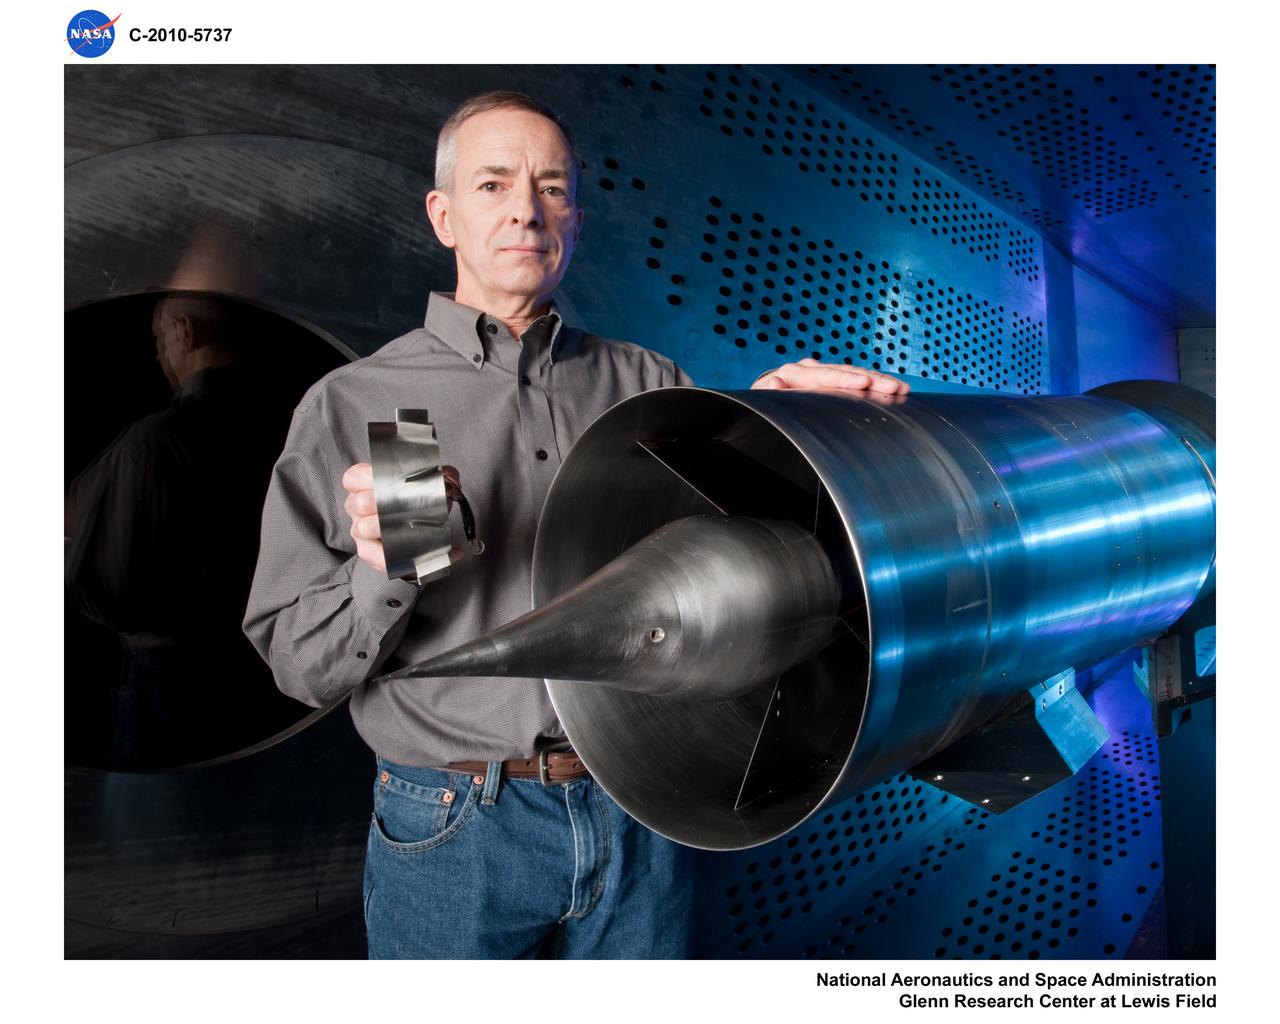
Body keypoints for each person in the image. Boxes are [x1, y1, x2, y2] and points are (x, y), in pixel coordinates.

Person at [243, 90, 909, 960]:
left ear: (575, 220)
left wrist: (777, 418)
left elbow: (733, 568)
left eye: (552, 187)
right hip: (456, 827)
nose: (526, 208)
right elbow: (298, 662)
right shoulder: (363, 402)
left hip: (640, 810)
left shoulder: (645, 382)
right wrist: (386, 568)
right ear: (443, 215)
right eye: (492, 185)